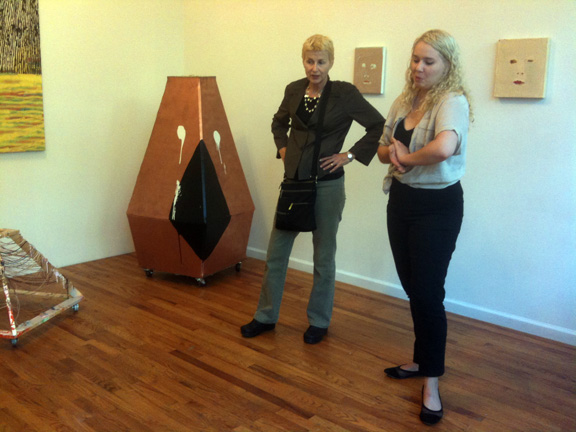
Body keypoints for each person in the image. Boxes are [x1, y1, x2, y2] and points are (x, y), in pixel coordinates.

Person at [241, 34, 384, 344]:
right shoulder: (294, 90)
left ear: (331, 63)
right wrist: (283, 149)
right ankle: (265, 316)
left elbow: (378, 125)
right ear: (303, 60)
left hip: (327, 186)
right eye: (309, 61)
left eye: (321, 62)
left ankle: (319, 321)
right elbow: (278, 123)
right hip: (294, 184)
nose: (314, 68)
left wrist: (349, 155)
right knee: (276, 253)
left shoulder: (344, 94)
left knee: (324, 255)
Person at [377, 29, 471, 426]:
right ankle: (421, 359)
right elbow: (382, 148)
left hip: (437, 208)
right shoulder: (404, 100)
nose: (418, 67)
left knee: (429, 295)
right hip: (401, 203)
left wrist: (405, 157)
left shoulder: (452, 101)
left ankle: (431, 381)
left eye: (428, 61)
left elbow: (445, 147)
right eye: (416, 59)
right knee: (414, 288)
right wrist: (393, 153)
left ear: (447, 65)